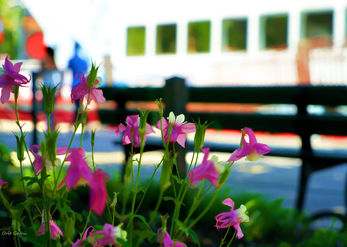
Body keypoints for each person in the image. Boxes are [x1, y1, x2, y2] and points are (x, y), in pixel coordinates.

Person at [67, 41, 89, 121]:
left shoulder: (72, 59)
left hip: (75, 83)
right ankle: (83, 118)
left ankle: (77, 119)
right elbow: (86, 70)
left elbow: (68, 69)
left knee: (76, 103)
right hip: (82, 83)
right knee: (82, 102)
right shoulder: (83, 60)